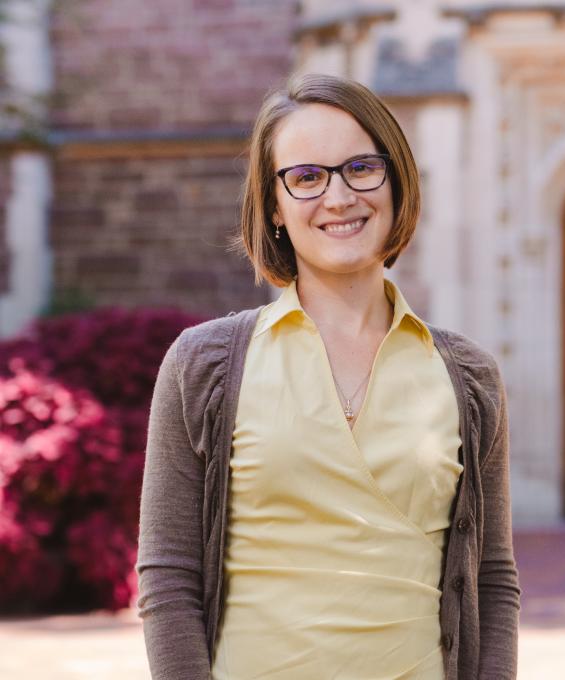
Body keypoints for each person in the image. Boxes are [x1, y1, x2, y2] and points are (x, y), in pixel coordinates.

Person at [135, 73, 520, 680]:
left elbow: (493, 583)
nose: (339, 198)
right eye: (307, 177)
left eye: (361, 168)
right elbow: (168, 576)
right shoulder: (204, 364)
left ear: (396, 182)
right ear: (275, 206)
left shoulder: (469, 377)